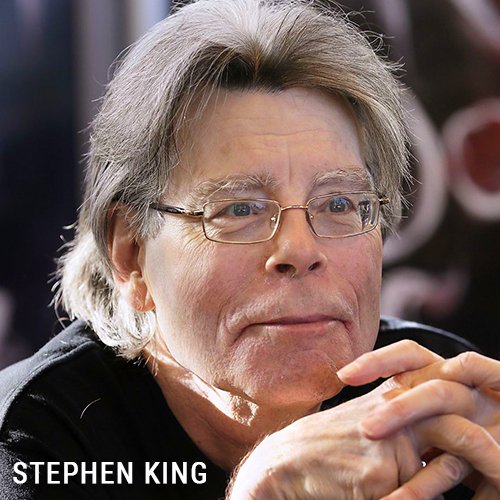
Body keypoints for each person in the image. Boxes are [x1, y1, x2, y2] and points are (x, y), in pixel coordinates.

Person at [0, 0, 499, 498]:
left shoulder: (439, 398)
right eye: (240, 209)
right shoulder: (36, 439)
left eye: (340, 203)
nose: (300, 250)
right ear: (131, 257)